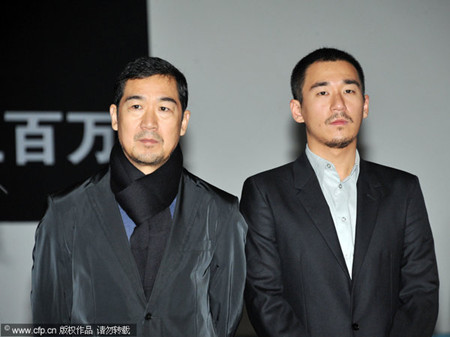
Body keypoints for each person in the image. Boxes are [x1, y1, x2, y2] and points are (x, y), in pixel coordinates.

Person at [31, 56, 247, 337]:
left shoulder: (221, 212)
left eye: (164, 108)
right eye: (136, 106)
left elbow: (224, 320)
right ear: (114, 117)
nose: (149, 123)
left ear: (183, 122)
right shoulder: (65, 211)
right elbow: (49, 323)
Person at [240, 47, 439, 337]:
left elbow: (421, 291)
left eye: (349, 91)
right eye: (322, 93)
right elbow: (263, 296)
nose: (338, 105)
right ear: (298, 110)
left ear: (365, 105)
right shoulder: (265, 192)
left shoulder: (402, 190)